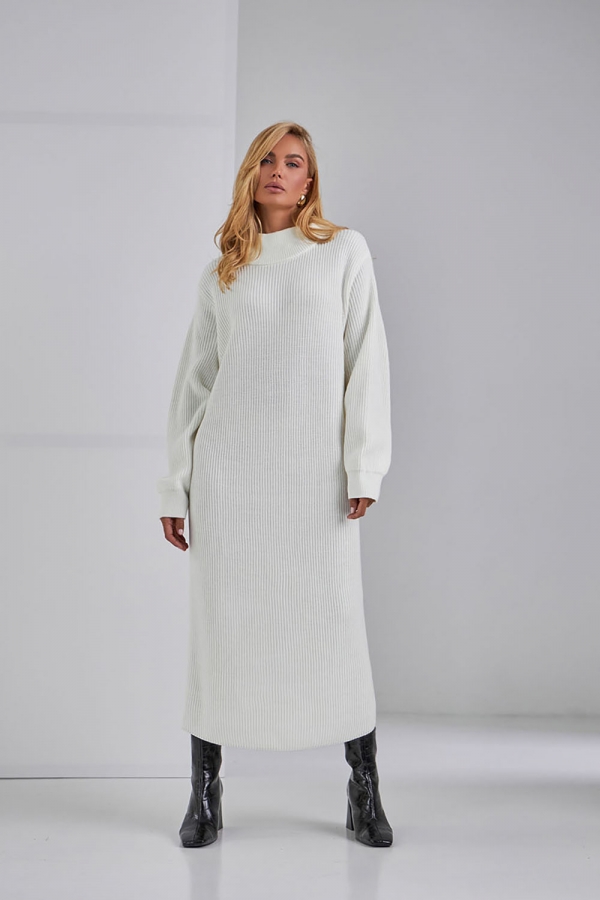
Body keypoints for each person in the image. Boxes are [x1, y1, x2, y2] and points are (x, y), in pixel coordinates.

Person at [157, 121, 393, 848]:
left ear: (310, 180)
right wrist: (174, 486)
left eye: (293, 162)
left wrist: (364, 465)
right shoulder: (223, 273)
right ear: (250, 174)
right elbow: (194, 386)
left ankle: (363, 788)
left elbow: (366, 360)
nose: (278, 171)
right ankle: (204, 792)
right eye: (266, 159)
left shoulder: (343, 251)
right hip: (231, 479)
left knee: (335, 627)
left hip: (314, 479)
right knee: (220, 631)